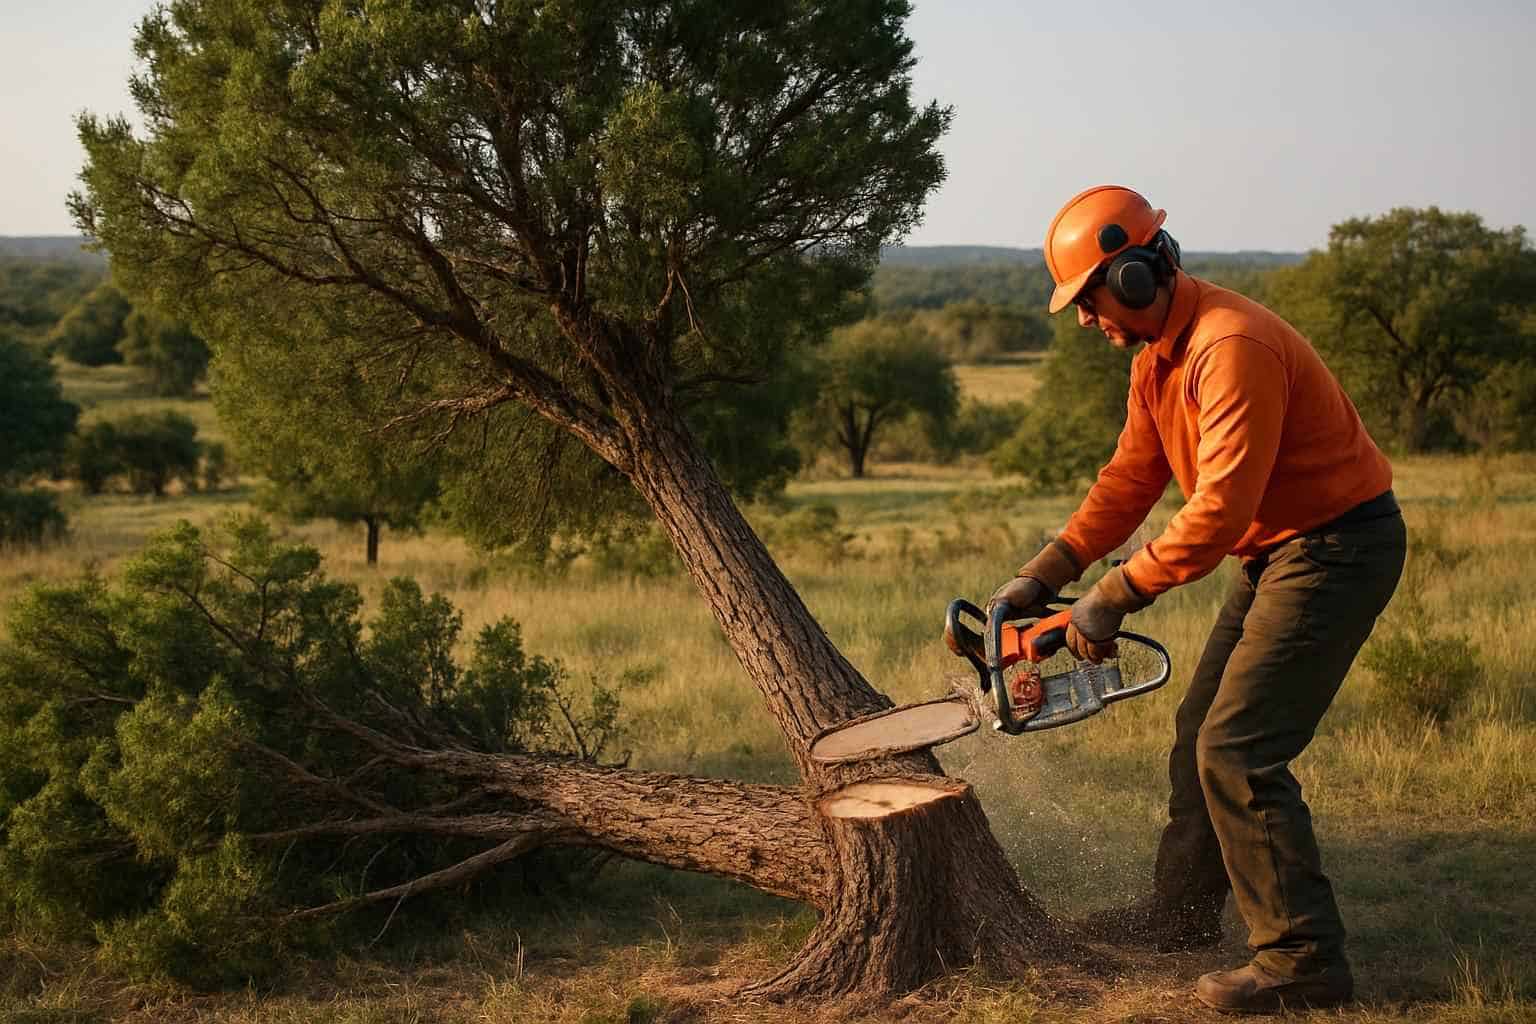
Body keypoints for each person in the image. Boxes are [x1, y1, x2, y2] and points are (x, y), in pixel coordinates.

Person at [988, 185, 1406, 1014]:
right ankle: (1178, 915)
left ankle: (1303, 962)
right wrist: (1046, 572)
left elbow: (1218, 510)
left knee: (1240, 749)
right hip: (1278, 553)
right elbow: (1130, 480)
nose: (1083, 319)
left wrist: (1107, 599)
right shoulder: (1157, 360)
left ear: (1139, 275)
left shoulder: (1231, 345)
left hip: (1336, 547)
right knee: (1200, 733)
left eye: (1088, 298)